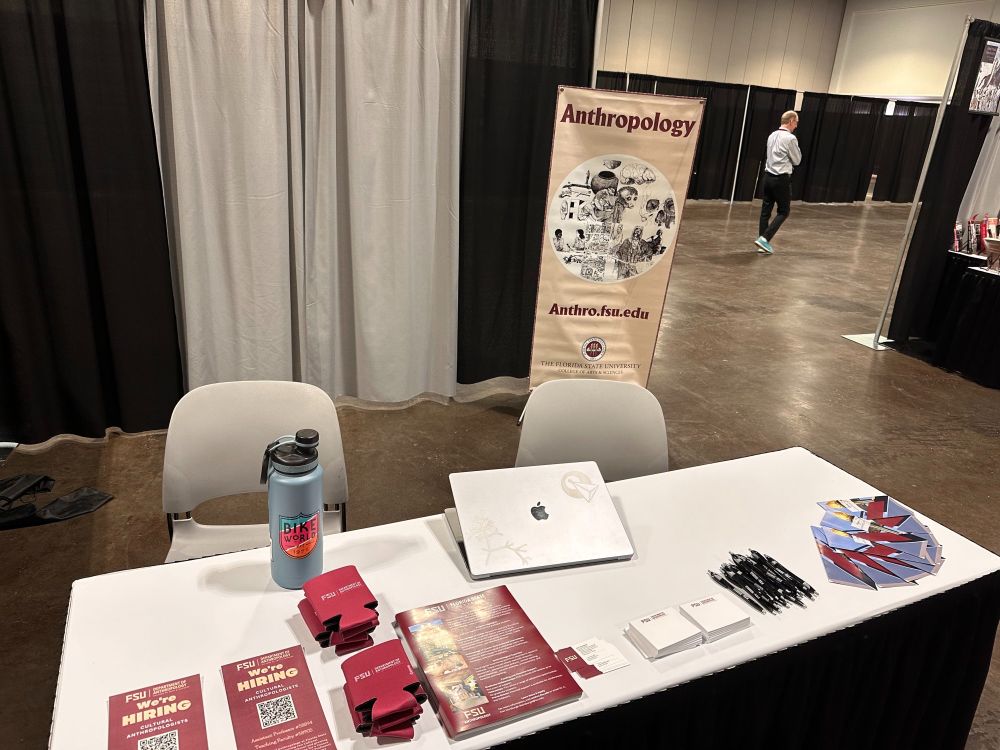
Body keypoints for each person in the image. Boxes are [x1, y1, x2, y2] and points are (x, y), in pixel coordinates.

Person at [755, 110, 801, 255]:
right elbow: (797, 160)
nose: (796, 126)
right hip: (781, 178)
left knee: (765, 211)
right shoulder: (790, 138)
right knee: (784, 211)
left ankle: (762, 242)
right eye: (796, 122)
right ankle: (765, 238)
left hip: (768, 177)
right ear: (791, 121)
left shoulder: (772, 135)